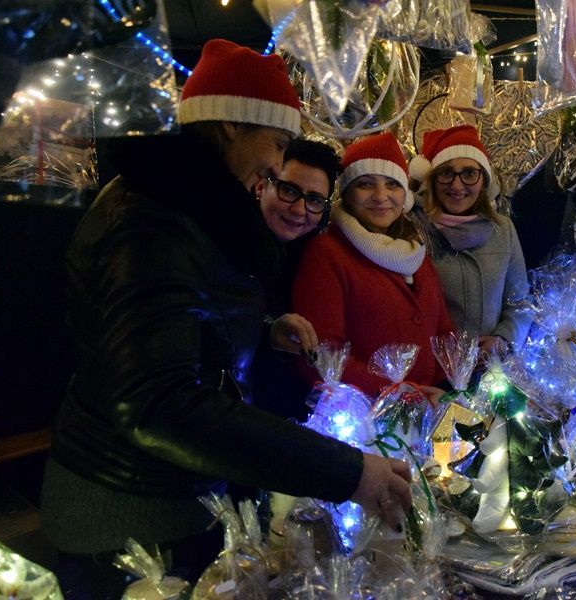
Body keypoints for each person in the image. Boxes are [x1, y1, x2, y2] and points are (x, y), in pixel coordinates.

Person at [41, 40, 411, 597]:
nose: (277, 165)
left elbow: (173, 328)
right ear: (236, 125)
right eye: (278, 144)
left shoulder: (181, 206)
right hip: (128, 513)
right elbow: (158, 401)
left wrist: (262, 330)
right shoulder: (148, 222)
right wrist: (347, 471)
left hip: (172, 495)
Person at [291, 131, 454, 397]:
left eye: (392, 184)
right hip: (361, 421)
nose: (381, 196)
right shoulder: (327, 253)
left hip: (425, 410)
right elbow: (320, 355)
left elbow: (443, 332)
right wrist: (402, 395)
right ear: (347, 193)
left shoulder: (415, 252)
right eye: (366, 184)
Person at [408, 125, 531, 355]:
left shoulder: (503, 230)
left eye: (468, 174)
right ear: (432, 180)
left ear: (482, 180)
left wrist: (504, 340)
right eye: (446, 173)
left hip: (490, 373)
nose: (457, 185)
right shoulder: (413, 229)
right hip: (432, 371)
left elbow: (520, 303)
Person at [251, 138, 340, 421]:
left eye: (314, 200)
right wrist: (268, 332)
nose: (300, 210)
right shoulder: (228, 243)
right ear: (262, 185)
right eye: (289, 190)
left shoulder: (317, 255)